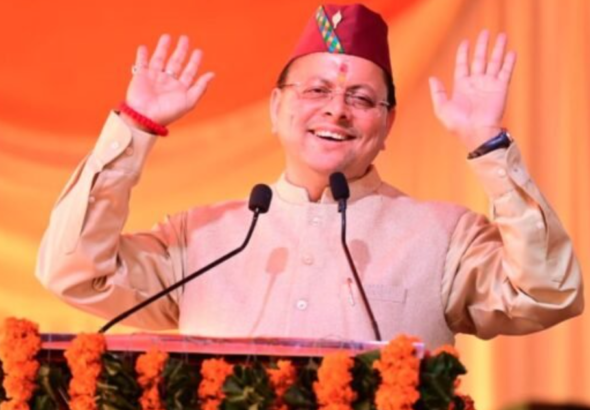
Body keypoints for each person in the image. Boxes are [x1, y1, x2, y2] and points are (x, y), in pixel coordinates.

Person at [36, 4, 583, 349]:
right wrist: (135, 128)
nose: (336, 110)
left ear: (388, 124)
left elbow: (549, 294)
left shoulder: (445, 237)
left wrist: (490, 147)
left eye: (361, 99)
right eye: (317, 90)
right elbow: (74, 273)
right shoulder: (200, 237)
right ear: (276, 109)